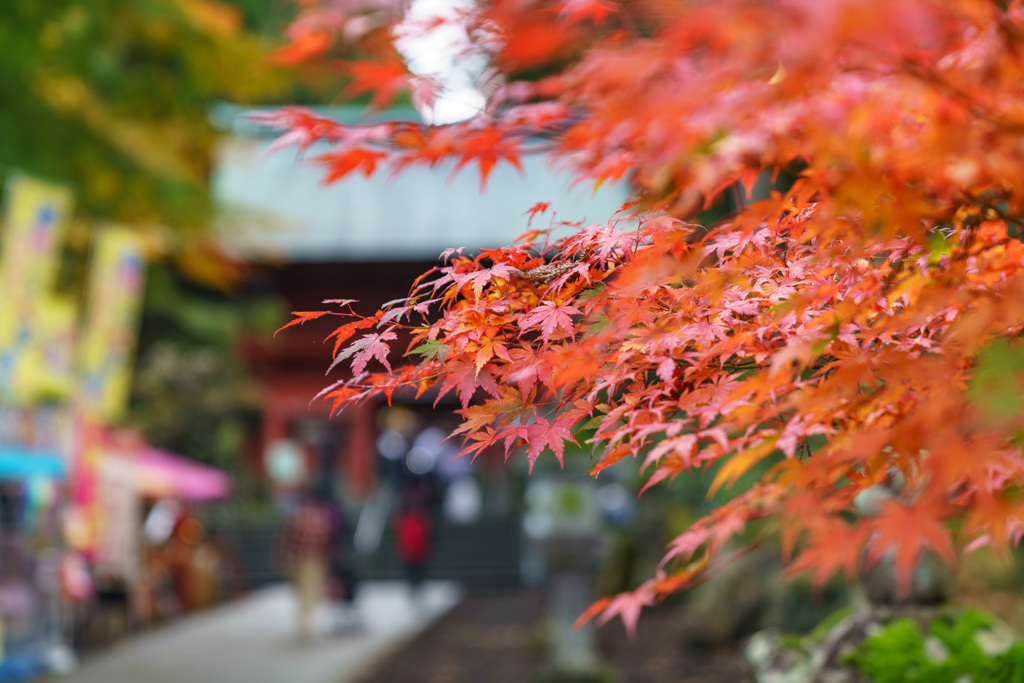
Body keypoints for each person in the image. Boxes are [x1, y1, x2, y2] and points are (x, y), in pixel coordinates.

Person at [282, 490, 333, 642]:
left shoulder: (295, 518)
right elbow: (327, 541)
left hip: (297, 559)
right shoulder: (321, 518)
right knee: (312, 592)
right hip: (315, 560)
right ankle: (308, 625)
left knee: (301, 593)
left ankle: (301, 625)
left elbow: (288, 539)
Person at [393, 488, 433, 604]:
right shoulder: (404, 518)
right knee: (410, 574)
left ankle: (418, 591)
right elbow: (400, 535)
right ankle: (412, 592)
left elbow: (426, 534)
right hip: (408, 552)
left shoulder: (422, 518)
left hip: (419, 552)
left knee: (418, 573)